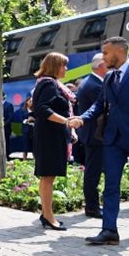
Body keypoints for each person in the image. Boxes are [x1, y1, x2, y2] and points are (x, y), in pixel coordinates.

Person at [70, 37, 129, 244]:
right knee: (111, 185)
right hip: (113, 139)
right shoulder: (108, 77)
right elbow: (99, 105)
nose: (103, 58)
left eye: (106, 53)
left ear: (120, 51)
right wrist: (82, 118)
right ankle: (109, 230)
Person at [33, 52, 77, 231]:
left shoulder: (51, 84)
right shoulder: (49, 84)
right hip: (49, 137)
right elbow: (42, 109)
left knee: (47, 176)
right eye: (63, 65)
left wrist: (69, 128)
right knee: (48, 177)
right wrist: (67, 122)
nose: (66, 68)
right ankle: (49, 217)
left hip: (50, 136)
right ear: (54, 66)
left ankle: (46, 213)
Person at [75, 54, 108, 218]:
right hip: (95, 135)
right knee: (93, 173)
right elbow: (103, 109)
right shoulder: (94, 85)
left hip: (93, 134)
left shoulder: (91, 82)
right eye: (107, 63)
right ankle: (92, 207)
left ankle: (93, 206)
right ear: (101, 65)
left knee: (93, 171)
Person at [3, 94, 14, 158]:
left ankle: (7, 156)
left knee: (6, 142)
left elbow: (10, 117)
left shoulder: (9, 105)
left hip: (6, 127)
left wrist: (4, 123)